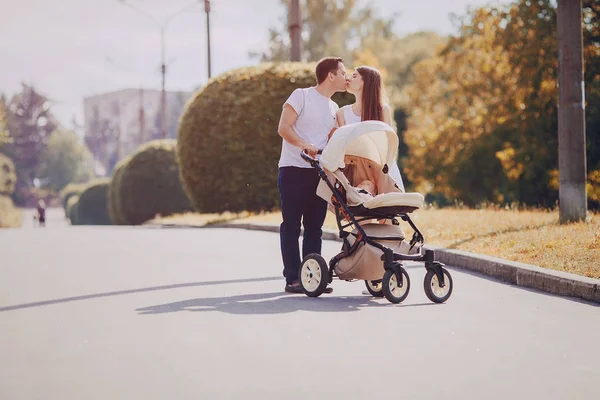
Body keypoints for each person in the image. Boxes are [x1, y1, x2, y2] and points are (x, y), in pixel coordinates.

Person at [277, 57, 348, 294]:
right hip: (293, 169)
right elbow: (283, 128)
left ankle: (312, 278)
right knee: (291, 226)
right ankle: (293, 279)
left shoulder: (333, 108)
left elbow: (331, 141)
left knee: (314, 228)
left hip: (318, 172)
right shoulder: (301, 95)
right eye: (343, 73)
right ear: (330, 75)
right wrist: (302, 144)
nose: (346, 77)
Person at [336, 66, 405, 191]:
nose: (349, 78)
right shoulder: (342, 113)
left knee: (390, 205)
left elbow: (387, 145)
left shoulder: (382, 110)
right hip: (356, 172)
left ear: (366, 82)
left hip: (382, 168)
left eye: (355, 76)